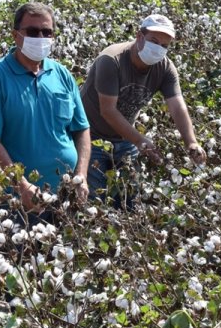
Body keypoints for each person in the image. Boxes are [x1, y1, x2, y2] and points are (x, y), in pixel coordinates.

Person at [0, 2, 91, 223]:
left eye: (47, 32)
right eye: (33, 31)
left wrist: (81, 176)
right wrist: (22, 186)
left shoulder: (62, 75)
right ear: (15, 35)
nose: (41, 37)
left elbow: (81, 129)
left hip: (65, 195)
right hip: (16, 202)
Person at [80, 14, 206, 207]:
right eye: (154, 41)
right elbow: (108, 111)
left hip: (125, 138)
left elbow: (177, 105)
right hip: (91, 136)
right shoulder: (111, 60)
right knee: (95, 200)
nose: (159, 49)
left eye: (164, 45)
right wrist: (140, 141)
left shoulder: (165, 68)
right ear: (139, 37)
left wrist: (191, 142)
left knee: (129, 199)